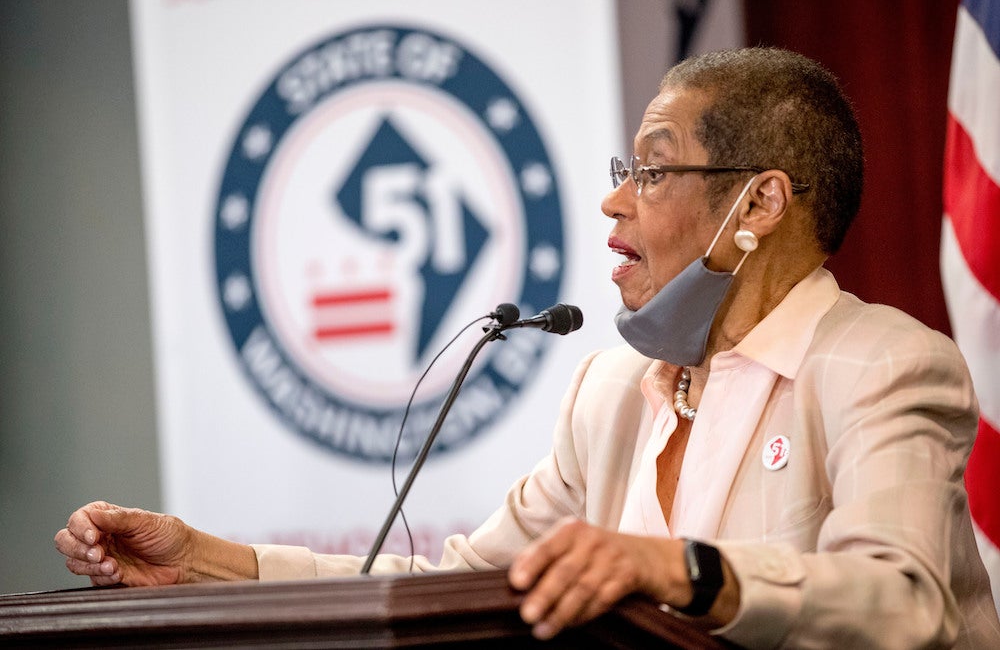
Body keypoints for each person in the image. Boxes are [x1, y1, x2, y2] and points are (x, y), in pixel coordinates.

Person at [55, 47, 1000, 648]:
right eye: (622, 169)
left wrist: (676, 569)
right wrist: (204, 560)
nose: (614, 200)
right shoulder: (615, 389)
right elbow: (465, 585)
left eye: (653, 167)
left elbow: (899, 601)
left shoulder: (882, 363)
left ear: (758, 202)